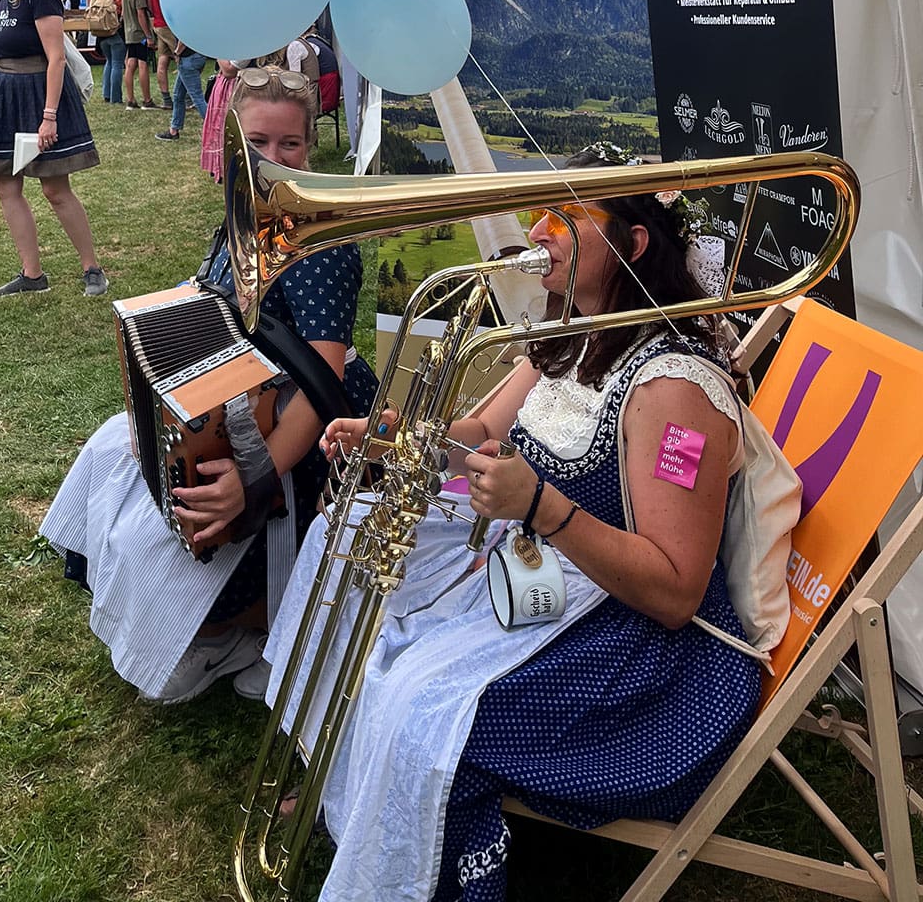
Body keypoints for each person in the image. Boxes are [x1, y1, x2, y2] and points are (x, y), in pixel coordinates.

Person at [263, 145, 761, 902]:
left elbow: (675, 591)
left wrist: (542, 506)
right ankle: (355, 787)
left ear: (630, 245)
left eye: (567, 215)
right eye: (541, 210)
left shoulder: (674, 387)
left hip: (637, 654)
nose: (541, 229)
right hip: (541, 570)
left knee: (427, 698)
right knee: (349, 542)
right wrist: (390, 434)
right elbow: (472, 434)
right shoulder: (573, 332)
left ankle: (405, 826)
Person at [41, 67, 377, 703]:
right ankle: (212, 626)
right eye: (257, 144)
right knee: (117, 454)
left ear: (312, 148)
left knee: (177, 525)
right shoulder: (241, 218)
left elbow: (323, 382)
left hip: (302, 430)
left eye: (290, 145)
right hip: (234, 402)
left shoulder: (323, 242)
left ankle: (240, 630)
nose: (273, 160)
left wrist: (256, 481)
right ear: (232, 147)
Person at [0, 0, 107, 299]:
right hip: (5, 95)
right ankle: (32, 274)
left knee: (54, 188)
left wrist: (48, 116)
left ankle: (92, 268)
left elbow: (56, 59)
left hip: (39, 95)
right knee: (5, 184)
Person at [153, 32, 207, 144]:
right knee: (178, 95)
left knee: (197, 97)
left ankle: (215, 130)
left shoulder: (184, 18)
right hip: (197, 56)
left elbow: (185, 37)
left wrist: (177, 52)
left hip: (187, 59)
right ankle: (174, 130)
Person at [199, 58, 242, 182]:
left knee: (228, 130)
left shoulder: (247, 45)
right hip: (224, 86)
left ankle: (228, 169)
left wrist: (218, 52)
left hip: (234, 88)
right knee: (218, 129)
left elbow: (229, 70)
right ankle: (219, 167)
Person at [120, 0, 156, 109]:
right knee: (142, 64)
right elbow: (141, 14)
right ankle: (147, 100)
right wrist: (148, 35)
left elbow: (123, 13)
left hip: (129, 32)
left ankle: (130, 99)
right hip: (139, 34)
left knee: (130, 64)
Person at [93, 0, 127, 105]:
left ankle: (106, 94)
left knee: (109, 62)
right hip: (115, 32)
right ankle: (116, 97)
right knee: (118, 64)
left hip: (101, 34)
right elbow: (124, 14)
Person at [146, 0, 175, 108]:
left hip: (158, 23)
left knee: (163, 60)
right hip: (168, 24)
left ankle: (166, 99)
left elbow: (150, 2)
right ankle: (185, 97)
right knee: (182, 58)